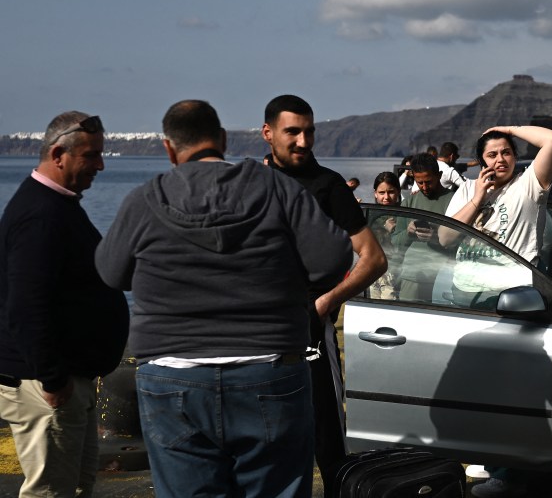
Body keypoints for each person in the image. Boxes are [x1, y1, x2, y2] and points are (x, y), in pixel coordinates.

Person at [95, 100, 352, 498]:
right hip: (267, 369)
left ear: (168, 148)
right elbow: (334, 258)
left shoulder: (146, 199)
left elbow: (111, 272)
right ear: (224, 140)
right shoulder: (277, 188)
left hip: (171, 374)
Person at [260, 94, 387, 489]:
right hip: (253, 332)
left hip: (310, 332)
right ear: (267, 134)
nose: (303, 141)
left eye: (309, 132)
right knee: (262, 443)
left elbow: (373, 258)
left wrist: (327, 301)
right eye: (292, 132)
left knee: (327, 439)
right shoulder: (250, 182)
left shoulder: (328, 186)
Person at [0, 111, 129, 498]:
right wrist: (53, 380)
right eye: (91, 156)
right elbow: (25, 305)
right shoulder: (41, 215)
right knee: (51, 492)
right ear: (59, 154)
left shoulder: (57, 205)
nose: (100, 165)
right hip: (48, 386)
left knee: (75, 487)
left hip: (68, 381)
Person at [439, 125, 552, 498]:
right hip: (468, 296)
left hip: (514, 297)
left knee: (514, 389)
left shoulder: (529, 185)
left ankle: (508, 474)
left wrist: (505, 128)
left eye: (506, 152)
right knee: (477, 388)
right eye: (492, 154)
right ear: (480, 162)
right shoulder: (467, 189)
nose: (500, 160)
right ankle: (491, 460)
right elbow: (445, 238)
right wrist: (478, 195)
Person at [393, 153, 456, 301]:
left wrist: (436, 238)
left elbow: (463, 243)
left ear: (439, 175)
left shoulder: (455, 201)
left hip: (444, 276)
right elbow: (395, 241)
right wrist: (408, 233)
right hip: (412, 276)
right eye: (419, 182)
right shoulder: (409, 202)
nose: (424, 187)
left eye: (429, 181)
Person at [369, 172, 402, 300]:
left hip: (393, 272)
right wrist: (384, 229)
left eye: (391, 192)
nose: (386, 197)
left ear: (398, 192)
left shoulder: (404, 212)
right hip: (372, 271)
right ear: (375, 193)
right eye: (382, 193)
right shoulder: (370, 214)